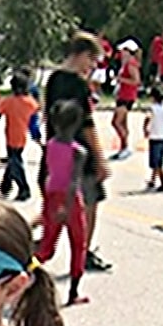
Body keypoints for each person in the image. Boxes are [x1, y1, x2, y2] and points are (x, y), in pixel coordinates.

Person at [42, 32, 111, 272]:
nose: (93, 66)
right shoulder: (79, 85)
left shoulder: (53, 80)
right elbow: (87, 125)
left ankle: (41, 249)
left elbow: (45, 116)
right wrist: (101, 159)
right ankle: (83, 253)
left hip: (54, 151)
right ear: (82, 55)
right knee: (88, 204)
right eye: (92, 60)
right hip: (80, 153)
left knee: (53, 206)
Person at [36, 101, 91, 306]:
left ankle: (22, 273)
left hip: (51, 194)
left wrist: (48, 201)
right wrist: (66, 206)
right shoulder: (78, 152)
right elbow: (73, 181)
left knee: (47, 245)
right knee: (78, 245)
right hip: (70, 200)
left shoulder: (49, 145)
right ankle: (74, 292)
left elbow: (44, 174)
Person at [0, 71, 40, 202]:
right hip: (22, 136)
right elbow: (33, 120)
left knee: (15, 162)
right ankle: (6, 185)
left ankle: (24, 188)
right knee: (13, 159)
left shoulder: (8, 101)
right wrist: (36, 135)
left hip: (10, 136)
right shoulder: (30, 102)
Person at [111, 39, 142, 160]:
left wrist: (120, 79)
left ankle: (126, 146)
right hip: (123, 95)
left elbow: (136, 81)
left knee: (116, 122)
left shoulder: (131, 64)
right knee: (122, 122)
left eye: (124, 51)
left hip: (127, 96)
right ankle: (123, 147)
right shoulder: (126, 64)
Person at [144, 86, 163, 192]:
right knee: (157, 161)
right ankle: (152, 180)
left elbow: (148, 118)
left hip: (155, 137)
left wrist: (145, 129)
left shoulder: (152, 108)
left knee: (156, 163)